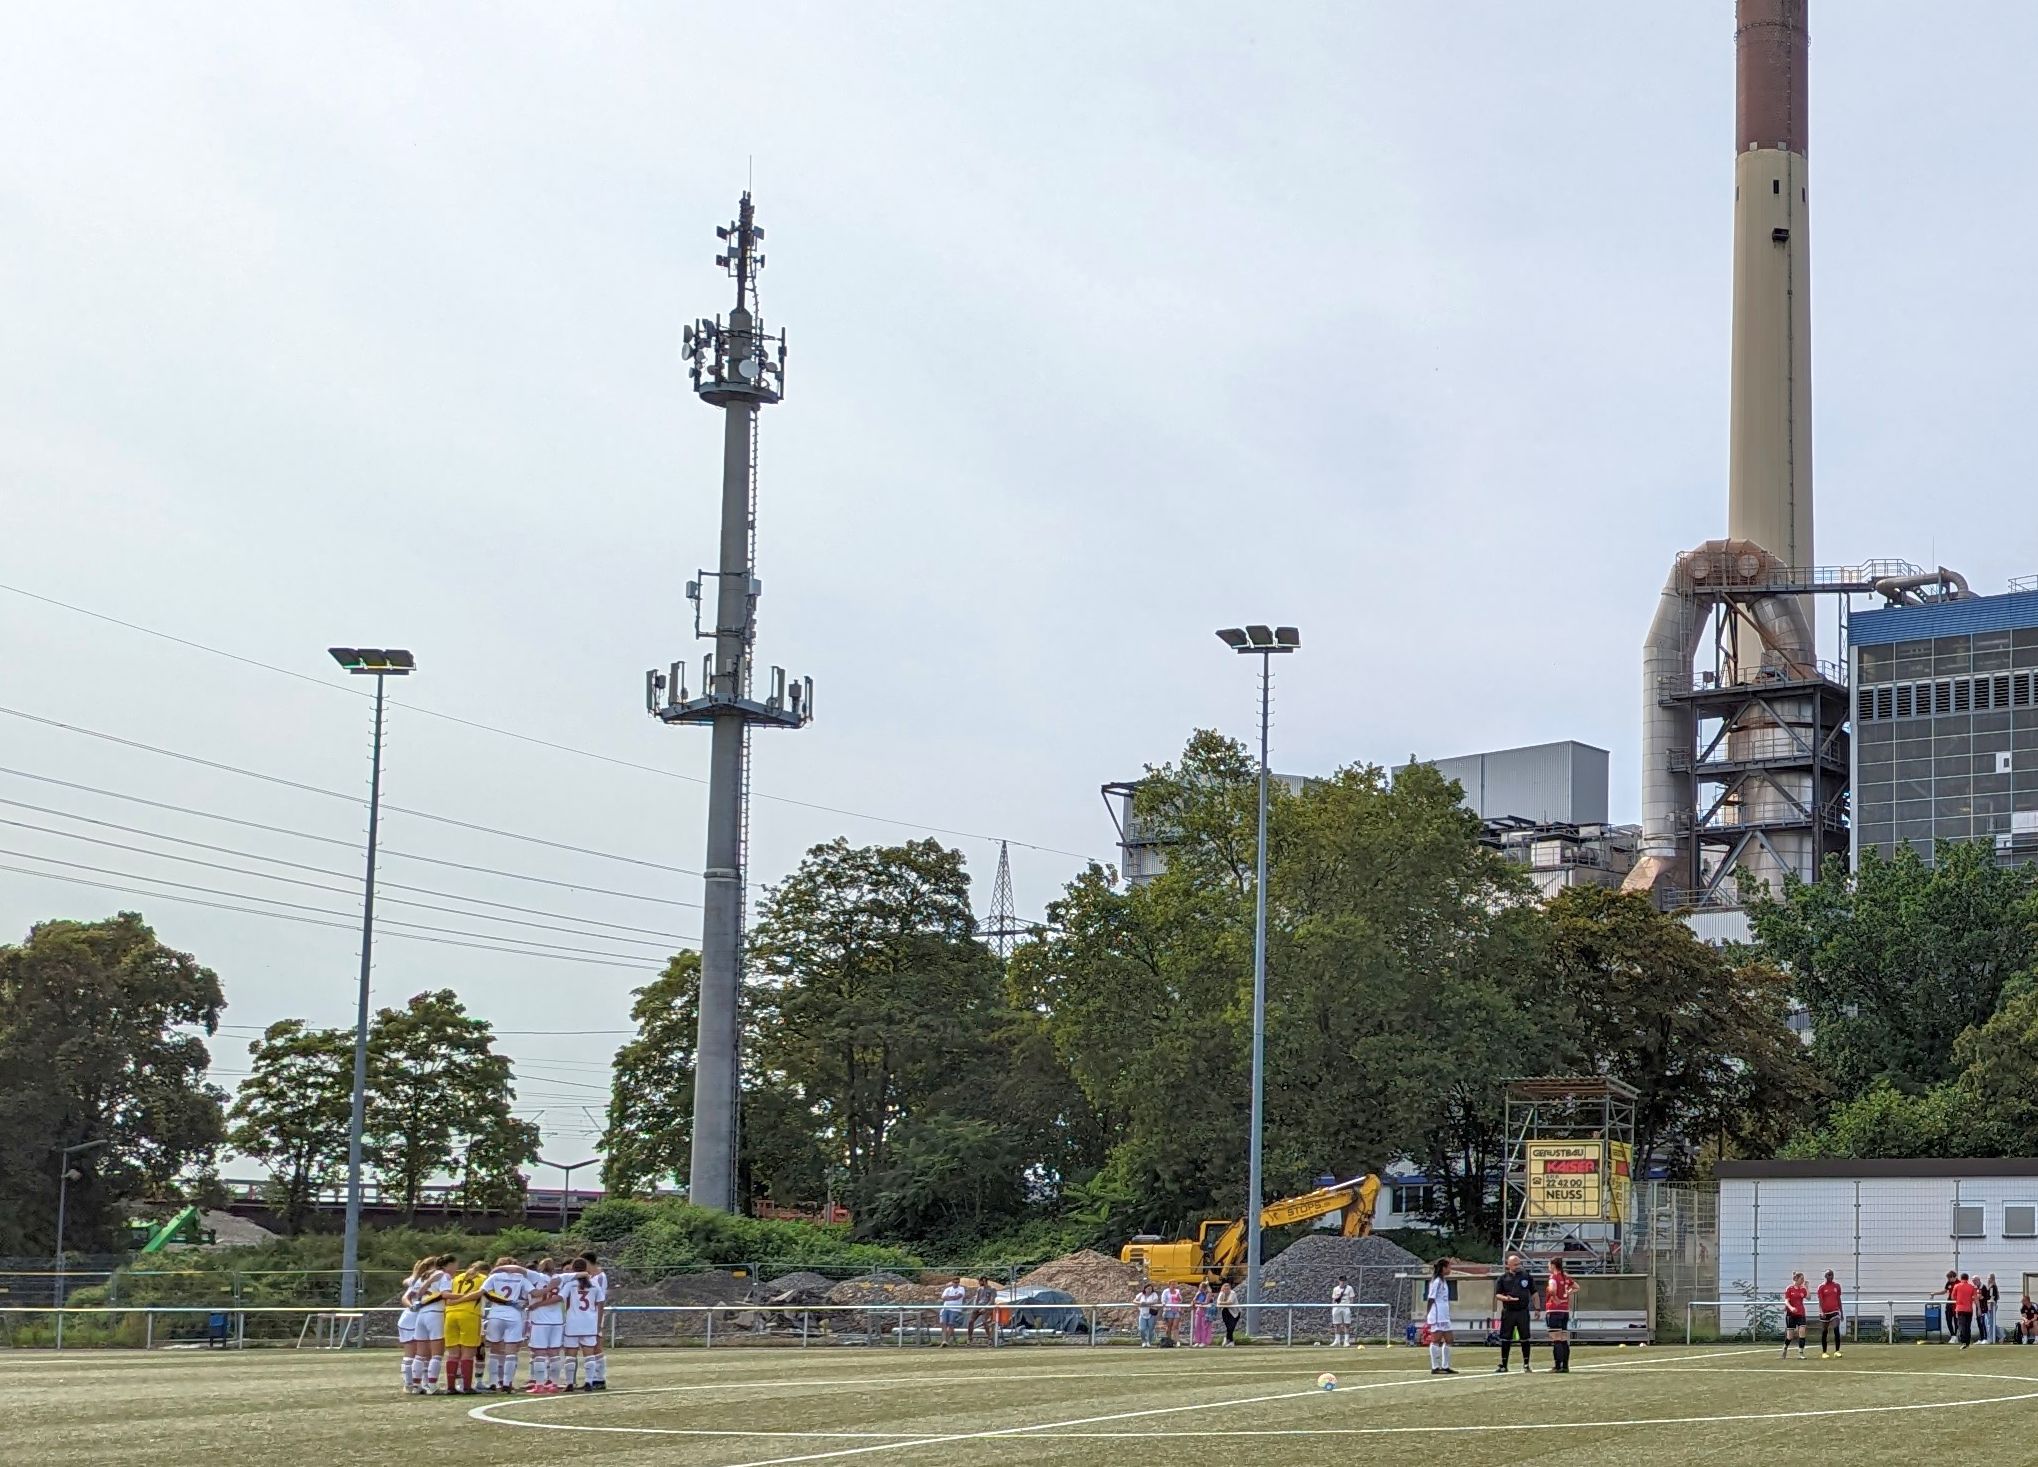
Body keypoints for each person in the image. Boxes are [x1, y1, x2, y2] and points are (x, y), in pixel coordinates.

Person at [480, 1257, 531, 1393]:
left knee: (495, 1352)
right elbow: (530, 1295)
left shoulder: (494, 1276)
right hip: (514, 1315)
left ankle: (493, 1382)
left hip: (496, 1314)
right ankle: (507, 1383)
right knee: (511, 1352)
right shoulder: (521, 1278)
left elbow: (483, 1292)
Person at [444, 1257, 490, 1395]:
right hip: (469, 1315)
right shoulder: (483, 1278)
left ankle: (451, 1387)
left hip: (450, 1314)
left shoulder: (457, 1278)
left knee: (453, 1354)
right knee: (468, 1354)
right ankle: (467, 1387)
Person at [412, 1253, 454, 1394]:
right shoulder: (444, 1276)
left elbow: (415, 1294)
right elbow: (445, 1294)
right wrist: (466, 1296)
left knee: (420, 1354)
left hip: (421, 1315)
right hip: (435, 1314)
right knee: (437, 1353)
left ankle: (416, 1385)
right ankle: (432, 1385)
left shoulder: (423, 1276)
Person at [523, 1257, 564, 1394]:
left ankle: (539, 1384)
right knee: (554, 1353)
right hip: (557, 1320)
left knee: (539, 1353)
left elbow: (519, 1270)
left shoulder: (536, 1277)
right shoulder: (561, 1278)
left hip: (540, 1320)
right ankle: (554, 1384)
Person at [1493, 1252, 1538, 1374]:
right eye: (1515, 1264)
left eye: (1519, 1263)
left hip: (1522, 1311)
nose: (1518, 1266)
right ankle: (1504, 1364)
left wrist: (1537, 1308)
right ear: (1509, 1265)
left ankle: (1526, 1364)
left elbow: (1534, 1293)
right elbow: (1498, 1295)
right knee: (1505, 1338)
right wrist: (1507, 1298)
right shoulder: (1503, 1278)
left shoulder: (1526, 1276)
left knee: (1525, 1338)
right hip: (1508, 1312)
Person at [559, 1259, 601, 1388]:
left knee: (570, 1355)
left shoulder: (570, 1284)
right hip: (589, 1322)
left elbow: (561, 1298)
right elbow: (600, 1303)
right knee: (589, 1354)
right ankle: (589, 1381)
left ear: (573, 1269)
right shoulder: (594, 1284)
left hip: (573, 1322)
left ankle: (570, 1383)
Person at [1543, 1257, 1576, 1374]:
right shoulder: (1566, 1276)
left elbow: (1552, 1290)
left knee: (1556, 1338)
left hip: (1554, 1310)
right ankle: (1565, 1365)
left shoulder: (1553, 1277)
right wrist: (1567, 1293)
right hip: (1564, 1311)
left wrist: (1555, 1298)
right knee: (1563, 1339)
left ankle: (1558, 1366)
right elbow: (1576, 1287)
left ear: (1553, 1265)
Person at [582, 1252, 610, 1389]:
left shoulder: (600, 1277)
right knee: (590, 1346)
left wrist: (599, 1320)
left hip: (595, 1314)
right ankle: (592, 1377)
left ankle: (600, 1378)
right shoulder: (589, 1276)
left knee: (596, 1345)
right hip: (587, 1315)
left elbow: (600, 1299)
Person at [396, 1260, 424, 1395]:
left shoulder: (416, 1281)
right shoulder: (418, 1281)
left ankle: (419, 1383)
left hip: (419, 1320)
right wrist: (412, 1306)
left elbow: (407, 1282)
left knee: (421, 1354)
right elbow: (405, 1297)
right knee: (412, 1353)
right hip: (411, 1320)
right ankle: (409, 1384)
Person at [1425, 1258, 1457, 1376]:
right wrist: (1428, 1313)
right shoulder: (1436, 1281)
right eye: (1449, 1267)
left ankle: (1445, 1366)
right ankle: (1435, 1366)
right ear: (1443, 1268)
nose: (1450, 1269)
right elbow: (1431, 1298)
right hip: (1438, 1314)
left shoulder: (1443, 1281)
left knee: (1449, 1340)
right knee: (1436, 1340)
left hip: (1445, 1314)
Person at [1781, 1272, 1809, 1360]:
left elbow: (1808, 1297)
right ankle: (1785, 1347)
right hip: (1791, 1315)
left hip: (1801, 1314)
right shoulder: (1789, 1289)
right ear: (1796, 1279)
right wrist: (1791, 1307)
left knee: (1802, 1332)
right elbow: (1786, 1301)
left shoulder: (1802, 1289)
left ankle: (1801, 1353)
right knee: (1790, 1336)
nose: (1803, 1280)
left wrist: (1807, 1287)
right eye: (1801, 1279)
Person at [1816, 1271, 1844, 1358]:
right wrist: (1821, 1311)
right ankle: (1824, 1352)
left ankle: (1837, 1351)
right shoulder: (1821, 1287)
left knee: (1836, 1328)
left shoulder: (1837, 1286)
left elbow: (1838, 1299)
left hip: (1835, 1311)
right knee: (1825, 1331)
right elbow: (1820, 1301)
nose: (1830, 1276)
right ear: (1825, 1276)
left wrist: (1841, 1312)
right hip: (1825, 1312)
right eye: (1828, 1275)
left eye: (1832, 1275)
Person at [967, 1278, 997, 1347]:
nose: (979, 1283)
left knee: (984, 1321)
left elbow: (992, 1300)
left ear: (984, 1281)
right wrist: (975, 1307)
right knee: (970, 1321)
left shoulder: (992, 1289)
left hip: (988, 1307)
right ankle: (969, 1338)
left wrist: (985, 1308)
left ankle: (990, 1339)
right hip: (979, 1306)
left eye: (980, 1282)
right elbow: (977, 1299)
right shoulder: (979, 1289)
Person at [1952, 1272, 1978, 1350]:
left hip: (1960, 1308)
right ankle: (1967, 1342)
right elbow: (1975, 1297)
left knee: (1962, 1325)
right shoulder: (1971, 1287)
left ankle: (1963, 1342)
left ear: (1961, 1278)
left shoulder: (1957, 1286)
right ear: (1967, 1278)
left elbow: (1953, 1297)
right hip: (1969, 1309)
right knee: (1967, 1326)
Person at [1328, 1275, 1355, 1349]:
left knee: (1347, 1324)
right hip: (1337, 1307)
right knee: (1337, 1324)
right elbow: (1333, 1299)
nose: (1342, 1282)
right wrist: (1333, 1307)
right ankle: (1337, 1340)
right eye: (1341, 1280)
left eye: (1344, 1281)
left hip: (1346, 1307)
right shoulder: (1335, 1289)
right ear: (1339, 1281)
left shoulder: (1349, 1288)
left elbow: (1352, 1298)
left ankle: (1346, 1341)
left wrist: (1350, 1306)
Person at [938, 1277, 966, 1347]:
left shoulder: (961, 1289)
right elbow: (943, 1298)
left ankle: (946, 1341)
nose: (956, 1284)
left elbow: (958, 1297)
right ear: (952, 1282)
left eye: (958, 1282)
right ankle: (944, 1340)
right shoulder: (947, 1289)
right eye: (955, 1282)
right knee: (943, 1324)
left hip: (955, 1309)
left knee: (951, 1324)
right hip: (945, 1308)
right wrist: (952, 1297)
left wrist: (949, 1297)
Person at [1135, 1282, 1160, 1347]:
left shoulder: (1154, 1294)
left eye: (1150, 1289)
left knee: (1151, 1329)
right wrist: (1140, 1303)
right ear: (1145, 1289)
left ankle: (1149, 1342)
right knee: (1142, 1329)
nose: (1149, 1290)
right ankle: (1144, 1341)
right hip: (1142, 1313)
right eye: (1148, 1289)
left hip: (1151, 1314)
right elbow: (1134, 1300)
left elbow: (1155, 1301)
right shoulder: (1141, 1294)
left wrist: (1147, 1303)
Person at [1217, 1281, 1240, 1347]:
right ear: (1223, 1289)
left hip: (1235, 1312)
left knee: (1231, 1327)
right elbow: (1218, 1302)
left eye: (1228, 1289)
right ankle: (1230, 1341)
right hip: (1225, 1311)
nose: (1227, 1290)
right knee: (1228, 1327)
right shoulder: (1221, 1293)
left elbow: (1230, 1302)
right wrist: (1224, 1303)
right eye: (1225, 1289)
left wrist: (1222, 1303)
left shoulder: (1233, 1293)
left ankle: (1228, 1339)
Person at [1191, 1283, 1213, 1348]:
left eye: (1200, 1287)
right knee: (1197, 1326)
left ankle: (1204, 1341)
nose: (1199, 1288)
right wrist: (1193, 1302)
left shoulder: (1208, 1294)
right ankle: (1197, 1341)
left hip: (1205, 1311)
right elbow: (1194, 1300)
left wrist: (1198, 1302)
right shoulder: (1198, 1293)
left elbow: (1206, 1302)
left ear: (1204, 1288)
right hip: (1199, 1311)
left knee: (1204, 1327)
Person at [1982, 1274, 2001, 1344]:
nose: (1988, 1279)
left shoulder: (1992, 1287)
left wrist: (1989, 1307)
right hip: (1989, 1306)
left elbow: (1992, 1297)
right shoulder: (1990, 1286)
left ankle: (1990, 1338)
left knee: (1989, 1323)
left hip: (1991, 1306)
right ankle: (2001, 1335)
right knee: (1990, 1322)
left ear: (1992, 1279)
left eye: (1989, 1278)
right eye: (1988, 1278)